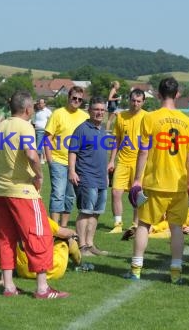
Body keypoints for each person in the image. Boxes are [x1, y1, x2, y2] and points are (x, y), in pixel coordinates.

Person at [0, 91, 69, 299]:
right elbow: (31, 155)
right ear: (28, 109)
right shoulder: (25, 127)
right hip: (23, 192)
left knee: (5, 238)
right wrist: (39, 175)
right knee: (39, 235)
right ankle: (42, 288)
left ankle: (9, 286)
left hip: (2, 192)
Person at [125, 77, 189, 284]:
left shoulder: (150, 118)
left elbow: (143, 152)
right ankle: (176, 273)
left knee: (144, 225)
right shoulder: (188, 122)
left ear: (158, 94)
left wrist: (137, 179)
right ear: (178, 94)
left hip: (154, 182)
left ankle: (136, 269)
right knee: (176, 228)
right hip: (178, 184)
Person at [68, 96, 109, 257]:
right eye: (96, 109)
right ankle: (82, 246)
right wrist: (72, 171)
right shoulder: (82, 129)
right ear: (89, 110)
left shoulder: (103, 129)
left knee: (96, 212)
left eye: (102, 110)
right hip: (86, 176)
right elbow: (73, 151)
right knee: (85, 211)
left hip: (100, 178)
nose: (99, 113)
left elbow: (102, 155)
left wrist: (105, 175)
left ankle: (90, 244)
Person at [44, 86, 89, 227]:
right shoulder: (58, 113)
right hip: (58, 161)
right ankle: (55, 228)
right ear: (68, 97)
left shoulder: (85, 117)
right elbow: (47, 138)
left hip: (76, 164)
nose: (76, 101)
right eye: (74, 98)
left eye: (79, 99)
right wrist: (50, 160)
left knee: (70, 196)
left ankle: (63, 227)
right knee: (58, 194)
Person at [106, 88, 147, 234]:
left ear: (143, 102)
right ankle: (118, 224)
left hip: (140, 164)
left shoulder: (147, 117)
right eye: (133, 100)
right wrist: (111, 161)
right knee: (116, 192)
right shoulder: (121, 116)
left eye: (138, 101)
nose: (135, 103)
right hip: (122, 162)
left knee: (137, 194)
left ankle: (135, 224)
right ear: (129, 100)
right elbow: (116, 141)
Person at [16, 218, 81, 279]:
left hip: (22, 271)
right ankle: (79, 263)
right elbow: (64, 233)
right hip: (51, 272)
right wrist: (74, 233)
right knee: (67, 239)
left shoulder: (14, 219)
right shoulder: (41, 218)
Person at [32, 98, 52, 164]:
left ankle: (41, 159)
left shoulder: (48, 111)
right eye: (39, 103)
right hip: (36, 130)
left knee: (41, 146)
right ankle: (42, 158)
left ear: (44, 104)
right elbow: (34, 121)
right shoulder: (37, 112)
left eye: (41, 103)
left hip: (43, 131)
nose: (39, 104)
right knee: (39, 145)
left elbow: (52, 120)